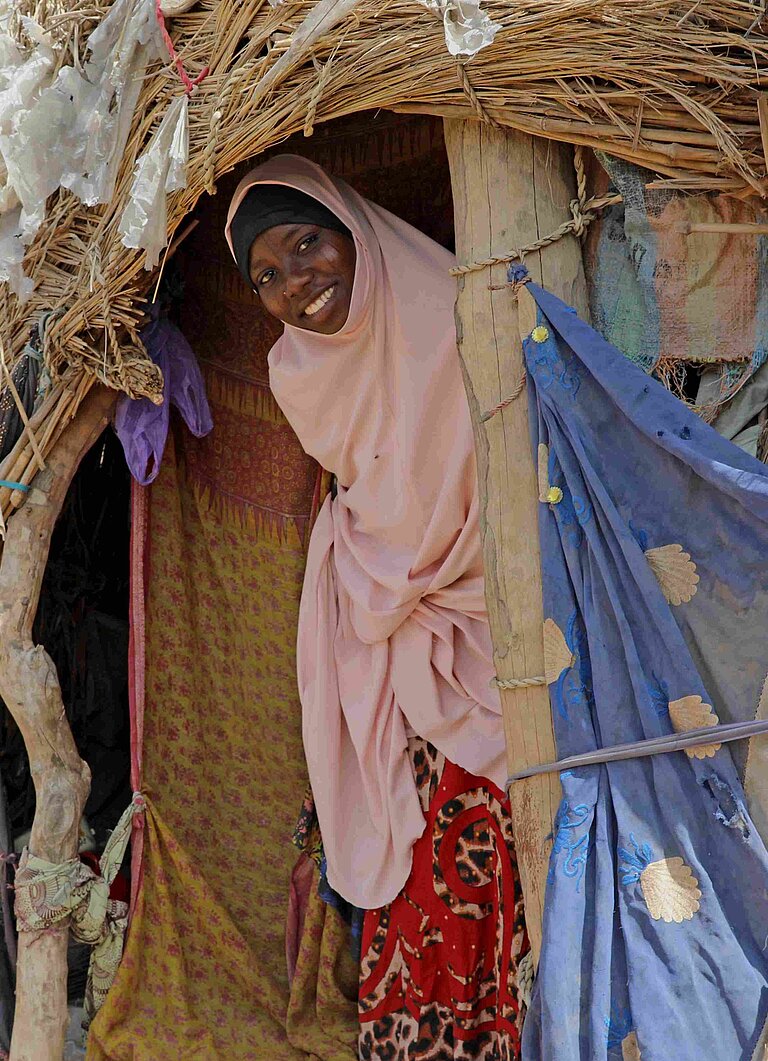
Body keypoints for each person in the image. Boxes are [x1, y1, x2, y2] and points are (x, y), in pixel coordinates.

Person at [225, 155, 529, 1058]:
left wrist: (401, 576)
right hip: (394, 657)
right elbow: (378, 494)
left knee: (515, 878)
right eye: (267, 275)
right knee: (419, 886)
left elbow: (498, 485)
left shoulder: (451, 314)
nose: (296, 286)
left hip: (499, 637)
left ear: (355, 231)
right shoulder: (296, 371)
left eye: (307, 244)